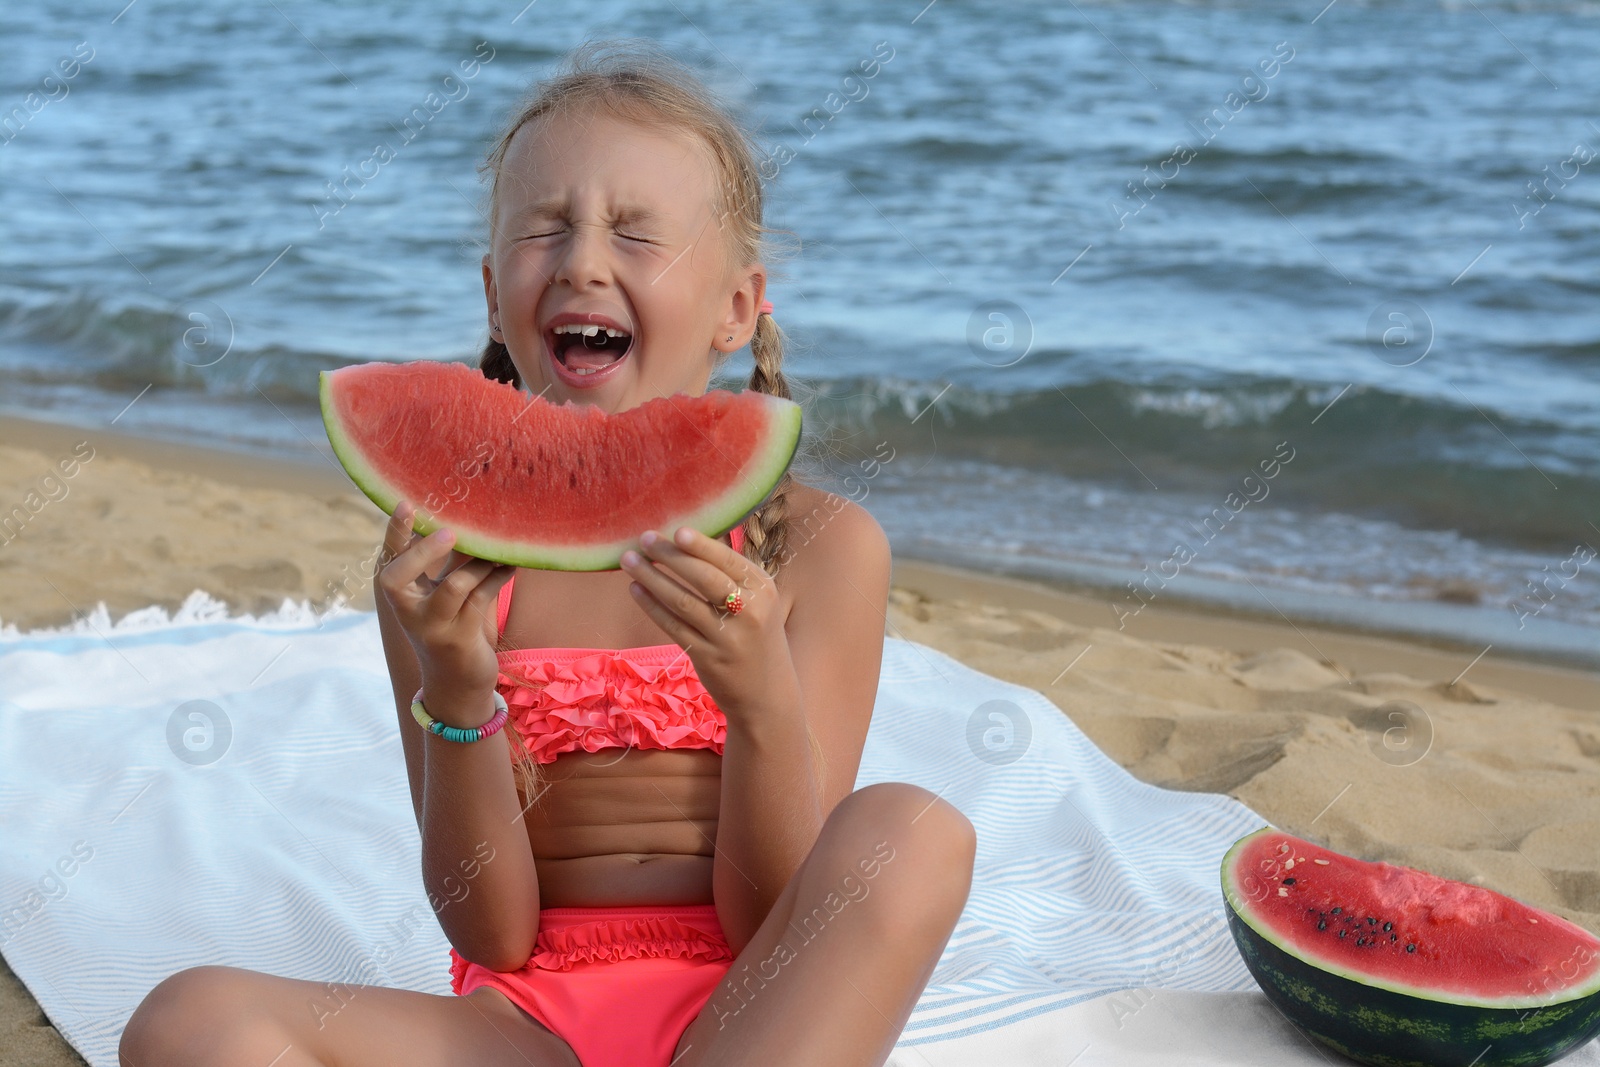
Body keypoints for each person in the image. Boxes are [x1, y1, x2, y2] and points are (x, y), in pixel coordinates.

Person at [119, 39, 974, 1067]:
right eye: (545, 229)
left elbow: (770, 919)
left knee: (910, 829)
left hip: (752, 1019)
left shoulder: (826, 549)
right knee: (187, 1021)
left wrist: (758, 699)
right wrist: (458, 687)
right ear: (493, 295)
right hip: (525, 1029)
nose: (580, 259)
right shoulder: (438, 567)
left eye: (635, 231)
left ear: (737, 310)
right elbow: (491, 932)